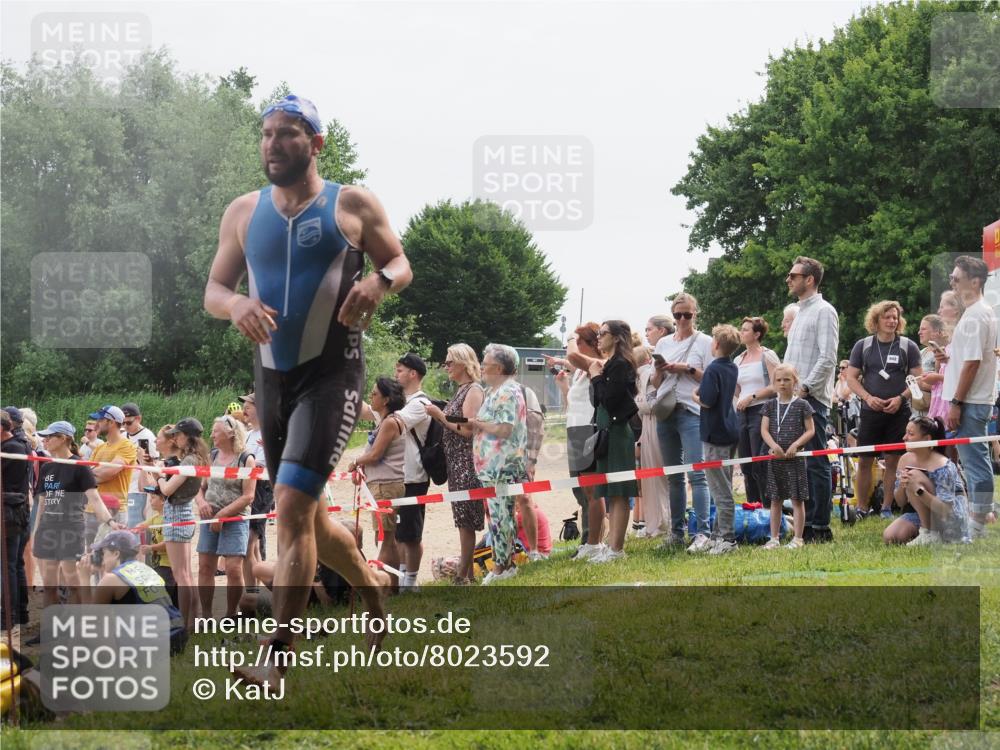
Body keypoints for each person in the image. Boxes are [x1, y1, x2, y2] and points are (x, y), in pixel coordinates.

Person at [204, 93, 408, 685]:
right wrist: (237, 301)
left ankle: (277, 659)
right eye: (266, 134)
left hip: (332, 376)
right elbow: (214, 290)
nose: (273, 144)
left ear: (315, 143)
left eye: (288, 133)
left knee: (290, 508)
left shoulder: (352, 202)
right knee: (311, 521)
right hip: (270, 381)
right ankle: (372, 590)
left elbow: (399, 263)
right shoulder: (242, 211)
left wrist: (378, 283)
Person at [844, 301, 923, 518]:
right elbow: (850, 377)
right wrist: (868, 398)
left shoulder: (908, 346)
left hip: (899, 412)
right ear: (876, 320)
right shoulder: (863, 345)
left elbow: (917, 378)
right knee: (865, 460)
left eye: (895, 317)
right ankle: (861, 507)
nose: (891, 321)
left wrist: (900, 398)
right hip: (870, 411)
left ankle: (887, 507)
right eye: (887, 317)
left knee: (892, 460)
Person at [939, 255, 998, 537]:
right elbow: (968, 360)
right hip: (971, 399)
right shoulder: (976, 313)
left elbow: (973, 363)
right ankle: (978, 520)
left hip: (971, 401)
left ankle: (977, 525)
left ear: (974, 282)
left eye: (956, 278)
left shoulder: (976, 315)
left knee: (976, 463)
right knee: (974, 461)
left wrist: (957, 402)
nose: (951, 282)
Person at [32, 421, 119, 608]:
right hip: (48, 529)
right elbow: (42, 502)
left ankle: (76, 626)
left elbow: (94, 499)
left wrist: (110, 522)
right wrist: (37, 530)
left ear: (63, 438)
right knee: (49, 584)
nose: (44, 440)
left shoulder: (80, 466)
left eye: (49, 436)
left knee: (73, 580)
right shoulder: (47, 467)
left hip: (71, 527)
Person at [651, 293, 714, 550]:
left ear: (695, 314)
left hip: (692, 411)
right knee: (673, 476)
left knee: (697, 475)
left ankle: (703, 533)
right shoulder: (663, 343)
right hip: (666, 411)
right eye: (678, 315)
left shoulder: (705, 342)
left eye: (687, 314)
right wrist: (659, 370)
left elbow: (711, 380)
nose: (682, 319)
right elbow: (656, 384)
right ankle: (675, 533)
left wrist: (686, 369)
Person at [782, 256, 839, 543]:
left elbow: (828, 358)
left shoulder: (824, 311)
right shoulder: (800, 312)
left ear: (810, 279)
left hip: (812, 398)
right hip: (793, 397)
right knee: (800, 463)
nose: (788, 279)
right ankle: (805, 524)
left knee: (816, 461)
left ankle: (820, 526)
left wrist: (803, 390)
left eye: (794, 275)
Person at [424, 344, 485, 584]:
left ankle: (463, 576)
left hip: (466, 463)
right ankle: (467, 575)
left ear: (463, 363)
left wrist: (440, 416)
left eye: (450, 362)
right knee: (462, 520)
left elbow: (468, 428)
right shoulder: (463, 390)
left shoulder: (473, 390)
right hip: (456, 462)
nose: (446, 366)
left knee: (466, 520)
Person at [75, 530, 187, 653]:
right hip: (177, 636)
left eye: (104, 552)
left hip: (154, 644)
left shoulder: (111, 579)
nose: (101, 557)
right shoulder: (145, 569)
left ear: (116, 553)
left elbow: (91, 619)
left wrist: (84, 579)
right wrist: (103, 570)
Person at [471, 344, 528, 584]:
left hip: (501, 466)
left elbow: (504, 428)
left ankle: (503, 567)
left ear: (499, 367)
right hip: (491, 467)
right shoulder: (496, 390)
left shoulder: (508, 391)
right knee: (496, 517)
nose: (482, 367)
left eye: (485, 364)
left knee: (501, 517)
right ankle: (503, 563)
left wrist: (478, 422)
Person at [586, 321, 640, 563]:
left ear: (617, 338)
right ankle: (612, 547)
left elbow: (609, 399)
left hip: (618, 432)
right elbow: (598, 401)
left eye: (603, 333)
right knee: (610, 491)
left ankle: (616, 549)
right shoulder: (610, 364)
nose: (598, 338)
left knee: (619, 492)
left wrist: (597, 378)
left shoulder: (620, 364)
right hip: (607, 431)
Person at [147, 419, 208, 631]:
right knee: (185, 574)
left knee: (181, 574)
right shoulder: (193, 458)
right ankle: (191, 622)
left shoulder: (189, 460)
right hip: (182, 513)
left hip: (177, 515)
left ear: (187, 436)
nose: (175, 439)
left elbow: (166, 490)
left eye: (178, 435)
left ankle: (183, 623)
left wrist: (161, 476)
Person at [548, 323, 604, 552]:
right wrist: (564, 386)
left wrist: (570, 337)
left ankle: (594, 542)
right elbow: (574, 405)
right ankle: (590, 540)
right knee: (582, 491)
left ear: (591, 343)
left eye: (580, 341)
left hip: (587, 430)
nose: (575, 345)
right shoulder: (581, 371)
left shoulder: (597, 365)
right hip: (576, 429)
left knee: (592, 491)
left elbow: (573, 356)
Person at [350, 377, 407, 589]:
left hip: (386, 485)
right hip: (382, 484)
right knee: (385, 537)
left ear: (387, 399)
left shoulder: (391, 422)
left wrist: (355, 462)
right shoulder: (386, 421)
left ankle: (382, 585)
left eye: (374, 394)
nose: (370, 397)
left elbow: (375, 455)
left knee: (384, 538)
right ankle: (390, 585)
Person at [197, 415, 255, 620]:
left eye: (215, 431)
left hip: (235, 519)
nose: (211, 434)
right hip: (209, 516)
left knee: (233, 569)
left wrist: (223, 514)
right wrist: (202, 503)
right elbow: (200, 488)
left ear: (230, 433)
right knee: (205, 566)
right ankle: (206, 614)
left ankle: (231, 614)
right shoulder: (212, 456)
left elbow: (249, 495)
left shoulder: (246, 459)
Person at [693, 324, 741, 555]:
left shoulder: (712, 369)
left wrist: (695, 396)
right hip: (730, 429)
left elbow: (708, 400)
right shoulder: (732, 367)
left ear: (717, 344)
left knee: (721, 490)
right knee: (721, 486)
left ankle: (728, 539)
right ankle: (717, 533)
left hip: (715, 434)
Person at [883, 416, 969, 546]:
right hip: (923, 512)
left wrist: (918, 491)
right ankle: (929, 531)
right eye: (906, 432)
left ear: (927, 439)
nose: (904, 438)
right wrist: (902, 485)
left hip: (951, 517)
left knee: (914, 475)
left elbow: (946, 509)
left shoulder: (943, 465)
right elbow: (900, 502)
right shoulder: (905, 459)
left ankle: (930, 533)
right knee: (891, 537)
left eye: (910, 434)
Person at [761, 364, 816, 549]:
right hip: (776, 459)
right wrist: (773, 446)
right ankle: (774, 538)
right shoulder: (769, 405)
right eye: (778, 380)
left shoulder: (802, 405)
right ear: (774, 383)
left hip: (796, 459)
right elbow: (764, 430)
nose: (782, 383)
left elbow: (810, 430)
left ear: (795, 382)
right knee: (775, 499)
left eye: (786, 379)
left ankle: (798, 539)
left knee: (796, 499)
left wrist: (796, 444)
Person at [392, 352, 434, 590]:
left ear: (413, 373)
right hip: (399, 474)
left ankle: (411, 581)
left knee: (411, 532)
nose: (395, 374)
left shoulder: (420, 403)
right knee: (399, 531)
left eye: (399, 370)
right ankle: (401, 577)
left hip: (414, 475)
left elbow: (394, 423)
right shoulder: (403, 403)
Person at [733, 316, 780, 506]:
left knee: (760, 462)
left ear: (757, 334)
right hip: (741, 413)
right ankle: (753, 506)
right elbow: (737, 388)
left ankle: (769, 508)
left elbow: (777, 385)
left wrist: (752, 397)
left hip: (761, 410)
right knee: (745, 464)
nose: (741, 332)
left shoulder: (767, 355)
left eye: (745, 330)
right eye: (741, 329)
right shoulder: (738, 358)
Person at [633, 315, 673, 537]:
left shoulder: (657, 364)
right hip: (647, 426)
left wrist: (641, 402)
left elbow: (649, 403)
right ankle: (655, 522)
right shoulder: (644, 372)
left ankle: (666, 522)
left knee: (665, 475)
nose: (646, 333)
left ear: (661, 331)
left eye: (649, 329)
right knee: (650, 476)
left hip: (661, 421)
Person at [1, 410, 32, 629]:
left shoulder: (12, 448)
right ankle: (19, 613)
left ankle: (8, 617)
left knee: (8, 566)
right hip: (15, 512)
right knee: (14, 565)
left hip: (10, 513)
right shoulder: (18, 445)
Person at [87, 405, 138, 539]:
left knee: (111, 556)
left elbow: (110, 471)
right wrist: (96, 474)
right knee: (90, 557)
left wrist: (93, 473)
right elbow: (87, 476)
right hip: (93, 508)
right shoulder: (100, 447)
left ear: (111, 422)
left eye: (100, 420)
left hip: (115, 510)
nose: (97, 423)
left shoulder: (126, 445)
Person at [239, 391, 272, 587]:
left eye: (248, 406)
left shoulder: (268, 432)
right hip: (247, 486)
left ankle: (252, 593)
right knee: (254, 542)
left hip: (262, 488)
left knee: (249, 542)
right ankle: (260, 590)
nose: (244, 410)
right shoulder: (249, 434)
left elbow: (260, 465)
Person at [137, 490, 178, 609]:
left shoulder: (168, 519)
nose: (150, 501)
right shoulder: (155, 518)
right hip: (157, 563)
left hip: (167, 564)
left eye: (153, 498)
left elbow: (168, 543)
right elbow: (141, 525)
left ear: (163, 501)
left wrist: (150, 548)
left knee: (167, 594)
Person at [121, 403, 159, 529]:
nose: (125, 426)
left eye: (129, 423)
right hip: (124, 486)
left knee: (135, 523)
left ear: (138, 419)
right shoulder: (122, 436)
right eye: (123, 423)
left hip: (138, 489)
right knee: (124, 523)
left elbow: (153, 465)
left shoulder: (147, 437)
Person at [918, 314, 951, 423]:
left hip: (938, 405)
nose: (919, 332)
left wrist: (919, 383)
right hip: (922, 406)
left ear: (937, 332)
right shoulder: (921, 352)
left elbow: (940, 381)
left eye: (923, 329)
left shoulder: (944, 351)